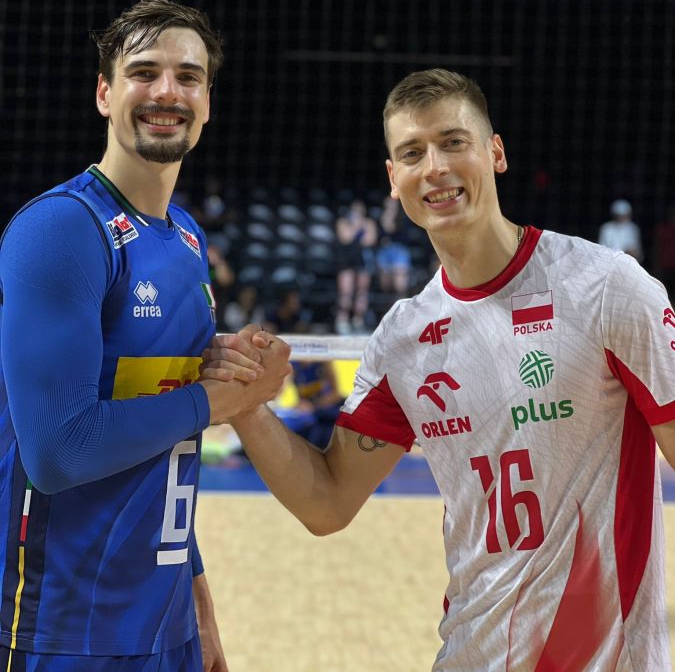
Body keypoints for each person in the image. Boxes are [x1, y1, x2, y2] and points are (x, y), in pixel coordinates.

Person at [201, 68, 675, 669]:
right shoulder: (403, 337)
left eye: (454, 142)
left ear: (494, 153)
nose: (436, 167)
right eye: (412, 153)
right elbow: (326, 502)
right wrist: (246, 406)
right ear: (394, 179)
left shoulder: (605, 288)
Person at [0, 0, 291, 671]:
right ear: (105, 93)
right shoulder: (63, 230)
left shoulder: (185, 237)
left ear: (208, 101)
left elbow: (167, 449)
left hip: (164, 624)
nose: (167, 91)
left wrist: (196, 599)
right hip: (63, 631)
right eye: (144, 72)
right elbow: (59, 453)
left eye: (188, 76)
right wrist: (222, 403)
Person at [334, 199, 378, 334]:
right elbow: (345, 238)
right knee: (346, 291)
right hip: (346, 260)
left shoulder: (369, 223)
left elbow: (370, 240)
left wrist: (360, 226)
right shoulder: (342, 222)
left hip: (363, 260)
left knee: (361, 291)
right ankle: (343, 319)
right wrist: (357, 227)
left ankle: (358, 320)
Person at [598, 197, 644, 262]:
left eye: (624, 216)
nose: (621, 218)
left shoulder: (633, 228)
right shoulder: (607, 228)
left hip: (627, 263)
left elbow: (638, 253)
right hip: (609, 262)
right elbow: (601, 250)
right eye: (619, 215)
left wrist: (633, 252)